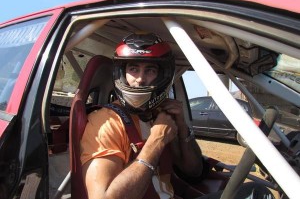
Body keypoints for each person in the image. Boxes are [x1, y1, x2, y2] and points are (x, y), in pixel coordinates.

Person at [80, 33, 275, 199]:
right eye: (133, 69)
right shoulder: (106, 122)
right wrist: (157, 140)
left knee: (257, 192)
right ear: (122, 74)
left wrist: (182, 128)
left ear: (162, 75)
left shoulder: (159, 116)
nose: (139, 79)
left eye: (150, 70)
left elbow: (193, 171)